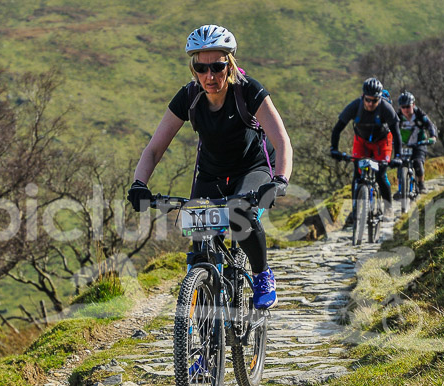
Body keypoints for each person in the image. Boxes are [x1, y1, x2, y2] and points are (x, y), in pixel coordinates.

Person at [127, 24, 293, 310]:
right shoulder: (189, 96)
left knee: (240, 213)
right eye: (201, 68)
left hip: (251, 168)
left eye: (217, 66)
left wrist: (280, 180)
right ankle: (204, 322)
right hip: (211, 173)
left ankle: (262, 273)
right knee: (200, 241)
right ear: (193, 69)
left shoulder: (248, 90)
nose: (210, 76)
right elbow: (154, 149)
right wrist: (139, 184)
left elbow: (282, 141)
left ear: (230, 65)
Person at [330, 78, 402, 219]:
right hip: (361, 141)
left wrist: (398, 156)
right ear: (363, 96)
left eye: (374, 100)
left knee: (381, 175)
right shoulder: (355, 106)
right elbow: (337, 129)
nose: (370, 103)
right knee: (357, 174)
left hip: (382, 141)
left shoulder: (386, 108)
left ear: (379, 98)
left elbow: (396, 133)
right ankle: (355, 209)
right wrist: (334, 149)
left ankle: (388, 208)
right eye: (367, 100)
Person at [394, 91, 437, 196]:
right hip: (403, 144)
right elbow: (389, 129)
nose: (405, 110)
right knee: (399, 164)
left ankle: (421, 184)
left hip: (419, 144)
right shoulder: (397, 117)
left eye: (408, 106)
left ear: (413, 105)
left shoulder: (419, 115)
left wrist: (433, 136)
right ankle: (400, 188)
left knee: (418, 163)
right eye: (403, 107)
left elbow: (430, 125)